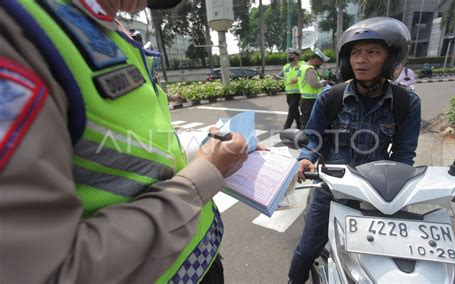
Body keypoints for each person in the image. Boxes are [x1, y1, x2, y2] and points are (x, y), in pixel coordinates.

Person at [0, 0, 248, 283]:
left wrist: (211, 148)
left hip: (200, 259)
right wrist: (203, 176)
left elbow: (135, 148)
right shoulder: (17, 30)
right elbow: (44, 272)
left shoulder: (102, 23)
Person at [288, 17, 421, 283]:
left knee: (387, 259)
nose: (361, 59)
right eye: (356, 52)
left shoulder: (407, 103)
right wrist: (306, 158)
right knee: (306, 251)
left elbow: (404, 154)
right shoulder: (331, 97)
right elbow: (313, 138)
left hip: (378, 193)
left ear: (391, 58)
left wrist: (397, 188)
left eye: (373, 52)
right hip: (332, 188)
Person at [297, 48, 330, 129]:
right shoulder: (309, 69)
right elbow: (314, 84)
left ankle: (304, 138)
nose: (320, 64)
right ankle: (304, 139)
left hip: (305, 98)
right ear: (315, 60)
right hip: (310, 100)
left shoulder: (302, 67)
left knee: (306, 119)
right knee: (308, 120)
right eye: (320, 62)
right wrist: (323, 82)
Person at [282, 48, 304, 129]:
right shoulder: (286, 67)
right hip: (288, 92)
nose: (289, 56)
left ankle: (286, 127)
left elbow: (306, 76)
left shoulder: (302, 65)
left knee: (291, 111)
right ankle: (299, 125)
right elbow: (283, 76)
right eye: (289, 54)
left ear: (297, 56)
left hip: (298, 92)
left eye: (291, 54)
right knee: (295, 111)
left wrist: (297, 79)